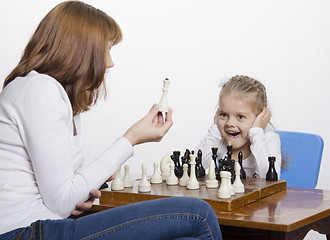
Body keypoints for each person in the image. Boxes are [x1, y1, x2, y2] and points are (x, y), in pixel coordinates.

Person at [0, 1, 222, 239]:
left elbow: (62, 194)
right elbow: (62, 202)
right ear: (81, 49)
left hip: (38, 226)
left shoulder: (48, 93)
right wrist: (131, 139)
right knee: (198, 215)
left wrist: (80, 194)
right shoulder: (40, 89)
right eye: (106, 49)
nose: (110, 62)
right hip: (23, 232)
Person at [195, 75, 281, 179]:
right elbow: (193, 168)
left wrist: (256, 132)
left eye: (240, 116)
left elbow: (269, 179)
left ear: (259, 118)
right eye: (223, 114)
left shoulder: (269, 140)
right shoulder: (220, 140)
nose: (230, 123)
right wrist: (216, 129)